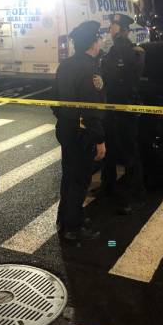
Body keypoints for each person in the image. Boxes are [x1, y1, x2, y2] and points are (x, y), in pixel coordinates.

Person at [53, 20, 106, 244]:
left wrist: (66, 120)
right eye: (99, 38)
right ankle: (72, 228)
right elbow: (92, 109)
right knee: (80, 181)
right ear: (93, 42)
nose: (101, 41)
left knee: (69, 177)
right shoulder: (90, 68)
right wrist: (100, 140)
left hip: (66, 129)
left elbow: (54, 100)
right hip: (82, 133)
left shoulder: (65, 65)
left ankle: (65, 219)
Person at [100, 13, 146, 215]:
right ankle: (107, 187)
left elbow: (128, 80)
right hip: (111, 108)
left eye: (114, 26)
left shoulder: (133, 52)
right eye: (111, 25)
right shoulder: (111, 51)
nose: (110, 29)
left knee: (129, 153)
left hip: (126, 108)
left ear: (123, 29)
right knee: (109, 150)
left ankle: (135, 195)